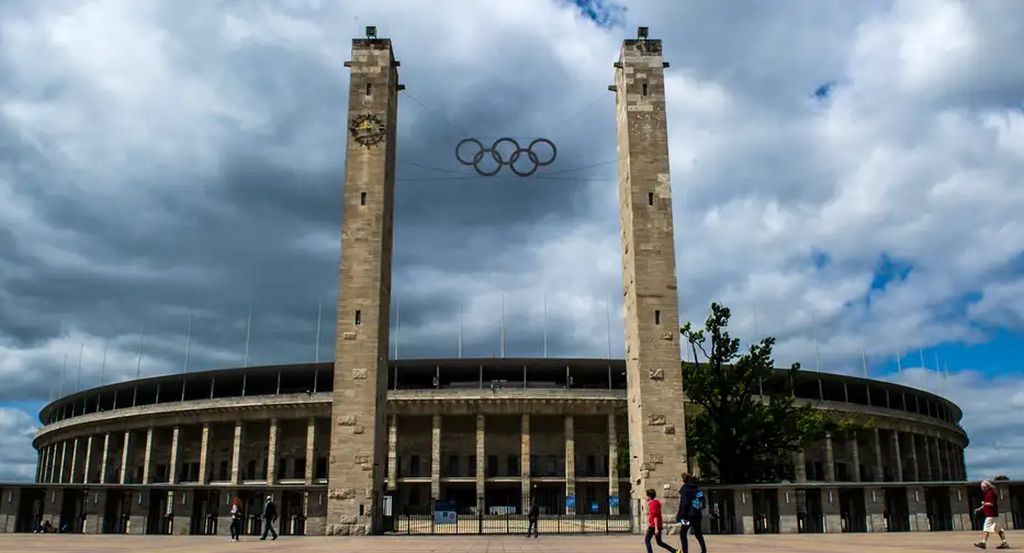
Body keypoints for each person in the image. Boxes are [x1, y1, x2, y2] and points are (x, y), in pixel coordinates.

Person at [676, 474, 707, 553]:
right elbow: (703, 501)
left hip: (687, 517)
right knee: (698, 533)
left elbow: (684, 504)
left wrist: (680, 516)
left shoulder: (685, 489)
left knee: (683, 533)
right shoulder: (697, 488)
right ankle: (704, 550)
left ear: (684, 480)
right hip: (697, 515)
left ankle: (685, 551)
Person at [974, 480, 1009, 550]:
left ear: (986, 486)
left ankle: (983, 543)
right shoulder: (989, 493)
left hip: (991, 514)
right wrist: (979, 509)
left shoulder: (990, 494)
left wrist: (984, 503)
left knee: (986, 528)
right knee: (999, 529)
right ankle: (1004, 542)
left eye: (982, 487)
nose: (982, 488)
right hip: (994, 514)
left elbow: (991, 504)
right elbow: (987, 504)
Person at [644, 489, 678, 553]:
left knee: (647, 540)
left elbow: (655, 516)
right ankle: (674, 551)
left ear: (649, 496)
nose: (646, 497)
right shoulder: (656, 502)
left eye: (647, 496)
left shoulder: (652, 504)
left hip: (653, 526)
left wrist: (656, 528)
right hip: (658, 525)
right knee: (659, 542)